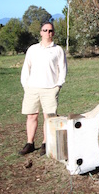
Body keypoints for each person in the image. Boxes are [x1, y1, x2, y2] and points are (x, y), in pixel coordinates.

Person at [19, 21, 67, 156]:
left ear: (53, 33)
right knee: (31, 116)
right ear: (40, 32)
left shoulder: (57, 50)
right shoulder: (32, 49)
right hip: (32, 88)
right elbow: (26, 68)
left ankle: (45, 143)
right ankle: (30, 143)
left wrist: (58, 85)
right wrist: (26, 85)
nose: (48, 33)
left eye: (50, 31)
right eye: (45, 30)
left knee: (49, 117)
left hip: (50, 88)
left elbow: (63, 69)